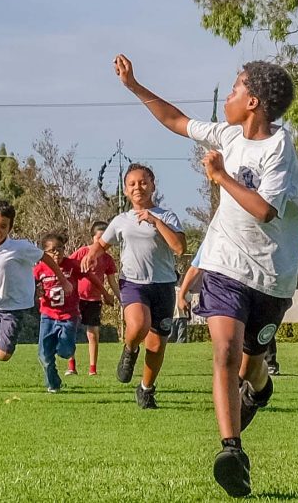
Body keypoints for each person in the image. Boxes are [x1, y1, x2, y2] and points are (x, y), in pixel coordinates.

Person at [114, 54, 298, 497]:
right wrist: (135, 87)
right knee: (223, 351)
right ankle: (231, 451)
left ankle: (258, 388)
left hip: (272, 276)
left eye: (236, 89)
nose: (229, 95)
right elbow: (176, 120)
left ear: (253, 101)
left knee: (251, 369)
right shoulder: (227, 134)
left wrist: (219, 176)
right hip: (224, 266)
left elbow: (264, 210)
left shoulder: (279, 148)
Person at [80, 163, 186, 409]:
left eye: (143, 182)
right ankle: (129, 350)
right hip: (133, 283)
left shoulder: (167, 216)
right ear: (126, 191)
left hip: (163, 285)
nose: (138, 187)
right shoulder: (121, 220)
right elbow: (102, 244)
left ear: (152, 185)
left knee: (157, 344)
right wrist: (92, 254)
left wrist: (155, 221)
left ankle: (146, 389)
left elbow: (180, 248)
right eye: (132, 184)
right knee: (139, 324)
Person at [0, 200, 71, 401]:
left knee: (2, 355)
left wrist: (63, 280)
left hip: (13, 308)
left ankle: (4, 341)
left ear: (10, 227)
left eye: (3, 226)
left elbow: (46, 258)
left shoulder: (20, 247)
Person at [68, 221, 119, 375]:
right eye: (99, 237)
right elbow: (68, 268)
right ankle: (71, 366)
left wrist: (120, 299)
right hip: (77, 298)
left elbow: (112, 281)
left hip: (94, 300)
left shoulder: (108, 259)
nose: (102, 241)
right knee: (70, 330)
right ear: (93, 238)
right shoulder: (82, 252)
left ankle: (92, 368)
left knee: (93, 333)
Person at [34, 233, 83, 392]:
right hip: (47, 315)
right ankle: (53, 383)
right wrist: (36, 292)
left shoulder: (71, 265)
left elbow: (88, 274)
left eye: (60, 249)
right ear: (44, 253)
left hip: (69, 316)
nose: (57, 253)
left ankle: (64, 347)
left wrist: (104, 291)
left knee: (65, 351)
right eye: (52, 250)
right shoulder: (40, 268)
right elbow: (30, 284)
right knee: (43, 355)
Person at [173, 252, 204, 344]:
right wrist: (189, 315)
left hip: (177, 316)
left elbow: (188, 302)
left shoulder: (181, 290)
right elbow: (189, 303)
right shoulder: (180, 290)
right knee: (180, 336)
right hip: (179, 316)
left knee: (175, 336)